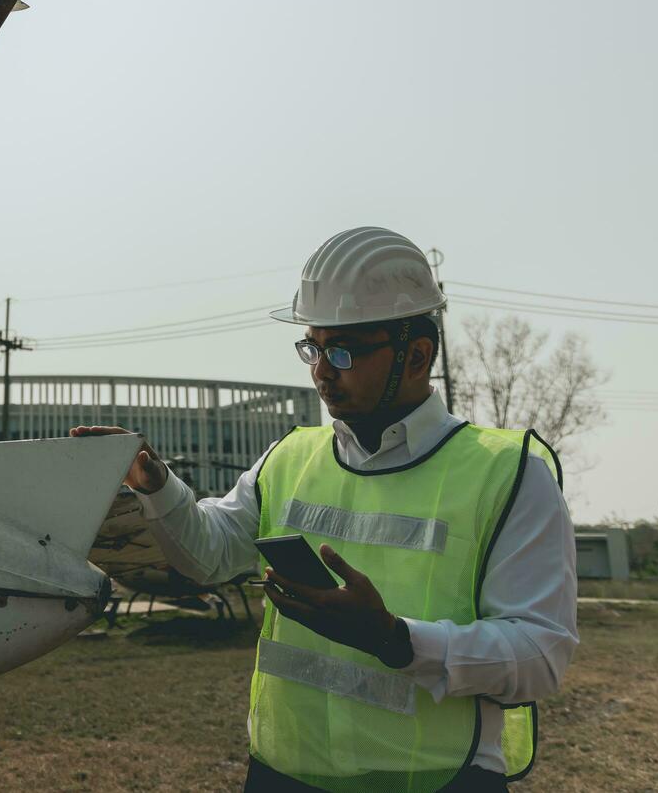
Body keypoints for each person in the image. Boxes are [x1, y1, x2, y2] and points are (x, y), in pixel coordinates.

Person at [71, 227, 577, 792]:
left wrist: (394, 637)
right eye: (314, 347)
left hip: (434, 780)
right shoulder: (289, 458)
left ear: (417, 355)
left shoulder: (508, 473)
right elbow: (209, 555)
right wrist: (156, 484)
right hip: (283, 774)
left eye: (344, 351)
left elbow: (540, 655)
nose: (320, 371)